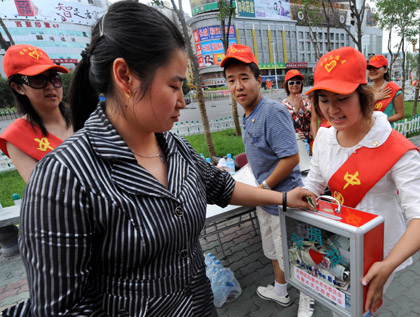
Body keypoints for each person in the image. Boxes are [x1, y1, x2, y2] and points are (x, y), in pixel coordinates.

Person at [9, 2, 314, 316]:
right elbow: (65, 309)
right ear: (124, 76)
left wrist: (283, 198)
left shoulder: (174, 147)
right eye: (174, 85)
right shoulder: (62, 180)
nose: (182, 101)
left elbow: (222, 187)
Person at [304, 46, 420, 315]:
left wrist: (389, 263)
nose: (332, 110)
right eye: (323, 99)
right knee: (339, 305)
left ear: (363, 95)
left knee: (358, 310)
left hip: (378, 253)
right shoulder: (324, 137)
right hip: (337, 243)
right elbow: (314, 183)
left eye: (341, 98)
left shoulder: (397, 149)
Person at [220, 44, 315, 317]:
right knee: (274, 251)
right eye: (231, 80)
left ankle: (309, 298)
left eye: (244, 78)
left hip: (284, 200)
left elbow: (291, 159)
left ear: (259, 81)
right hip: (266, 199)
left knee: (295, 254)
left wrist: (264, 187)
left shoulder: (271, 112)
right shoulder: (248, 114)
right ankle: (281, 292)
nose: (238, 86)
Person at [0, 44, 73, 182]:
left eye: (54, 77)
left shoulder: (84, 117)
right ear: (18, 88)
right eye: (38, 80)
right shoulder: (17, 138)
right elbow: (44, 191)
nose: (50, 86)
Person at [367, 55, 404, 124]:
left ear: (386, 69)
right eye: (370, 68)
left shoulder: (393, 89)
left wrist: (380, 121)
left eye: (376, 67)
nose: (372, 71)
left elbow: (400, 114)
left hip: (386, 131)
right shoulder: (366, 90)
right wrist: (374, 99)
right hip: (367, 131)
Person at [281, 69, 312, 144]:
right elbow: (285, 125)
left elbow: (312, 120)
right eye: (291, 83)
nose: (295, 85)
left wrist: (304, 108)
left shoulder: (306, 102)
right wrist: (296, 110)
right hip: (293, 142)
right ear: (286, 85)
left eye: (298, 82)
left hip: (308, 140)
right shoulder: (283, 105)